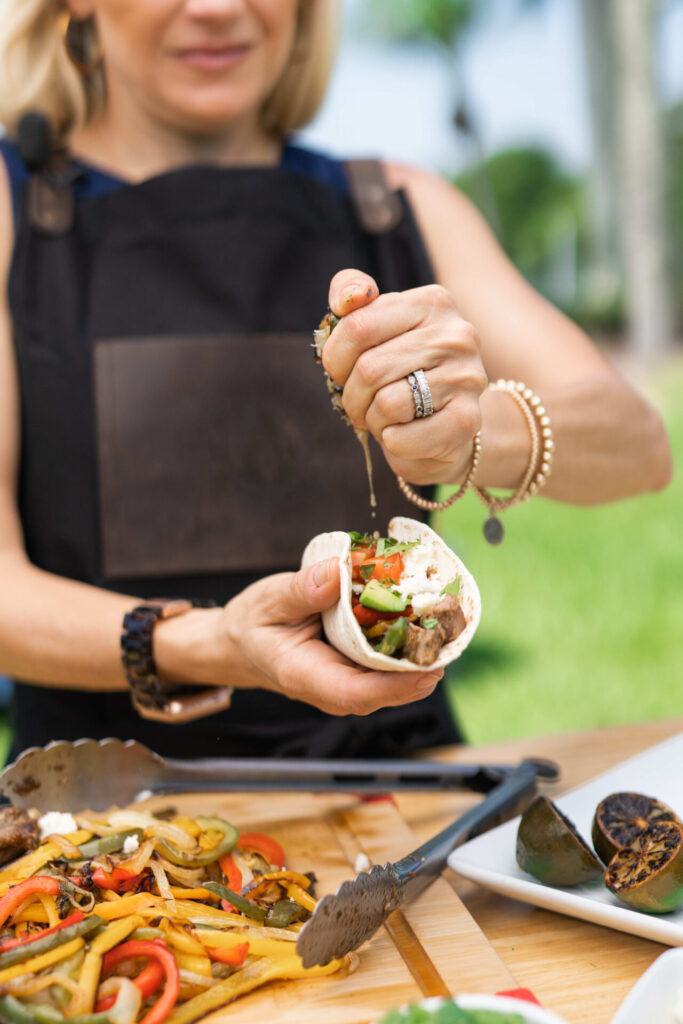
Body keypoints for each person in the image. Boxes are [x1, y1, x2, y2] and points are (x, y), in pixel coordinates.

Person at [0, 0, 672, 762]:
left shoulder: (396, 206)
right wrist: (211, 643)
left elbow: (637, 446)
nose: (217, 10)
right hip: (101, 820)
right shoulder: (13, 210)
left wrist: (471, 435)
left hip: (405, 799)